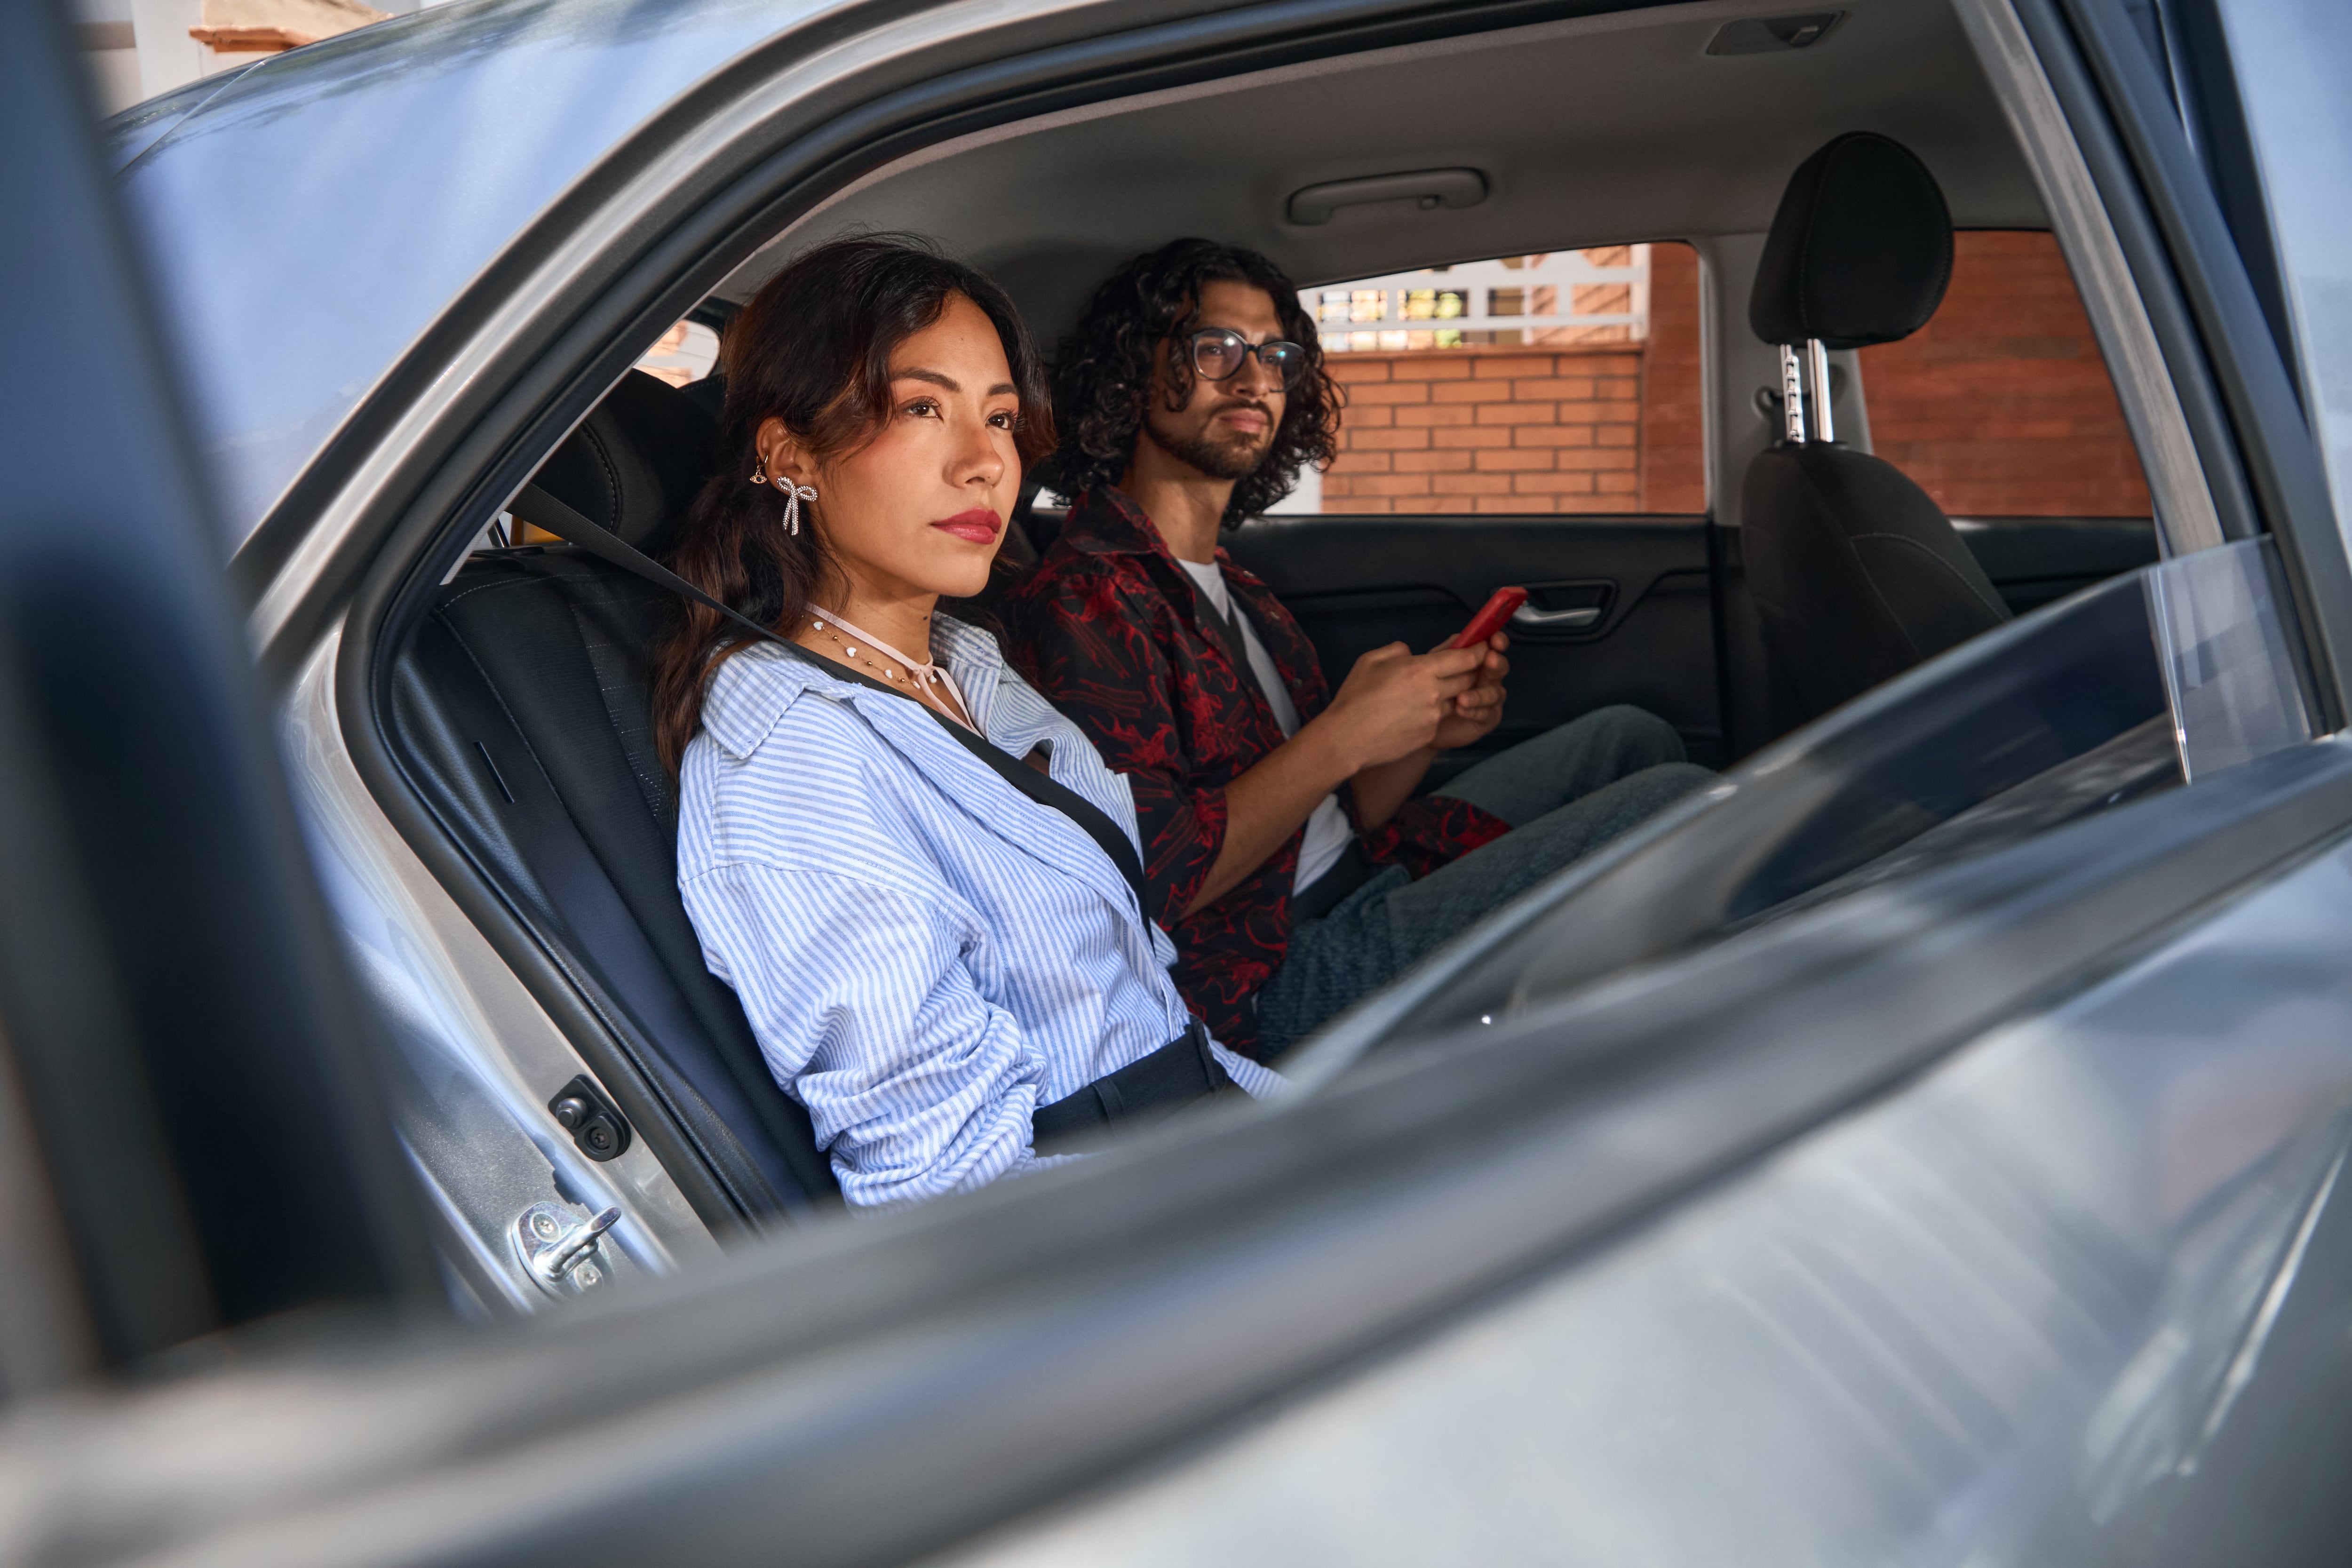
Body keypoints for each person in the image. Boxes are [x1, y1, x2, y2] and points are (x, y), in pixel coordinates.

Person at [656, 236, 1279, 1210]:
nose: (987, 462)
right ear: (790, 455)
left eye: (999, 417)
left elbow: (1143, 1008)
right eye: (921, 408)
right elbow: (956, 1201)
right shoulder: (795, 763)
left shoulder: (968, 667)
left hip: (1219, 1134)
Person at [1003, 239, 1712, 1060]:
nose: (1255, 379)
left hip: (1359, 867)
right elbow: (1153, 882)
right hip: (1270, 975)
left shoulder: (1240, 589)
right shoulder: (1087, 598)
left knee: (1632, 738)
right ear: (1132, 373)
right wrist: (1343, 735)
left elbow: (1338, 810)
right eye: (1216, 348)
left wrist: (1418, 735)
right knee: (1683, 802)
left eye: (1276, 356)